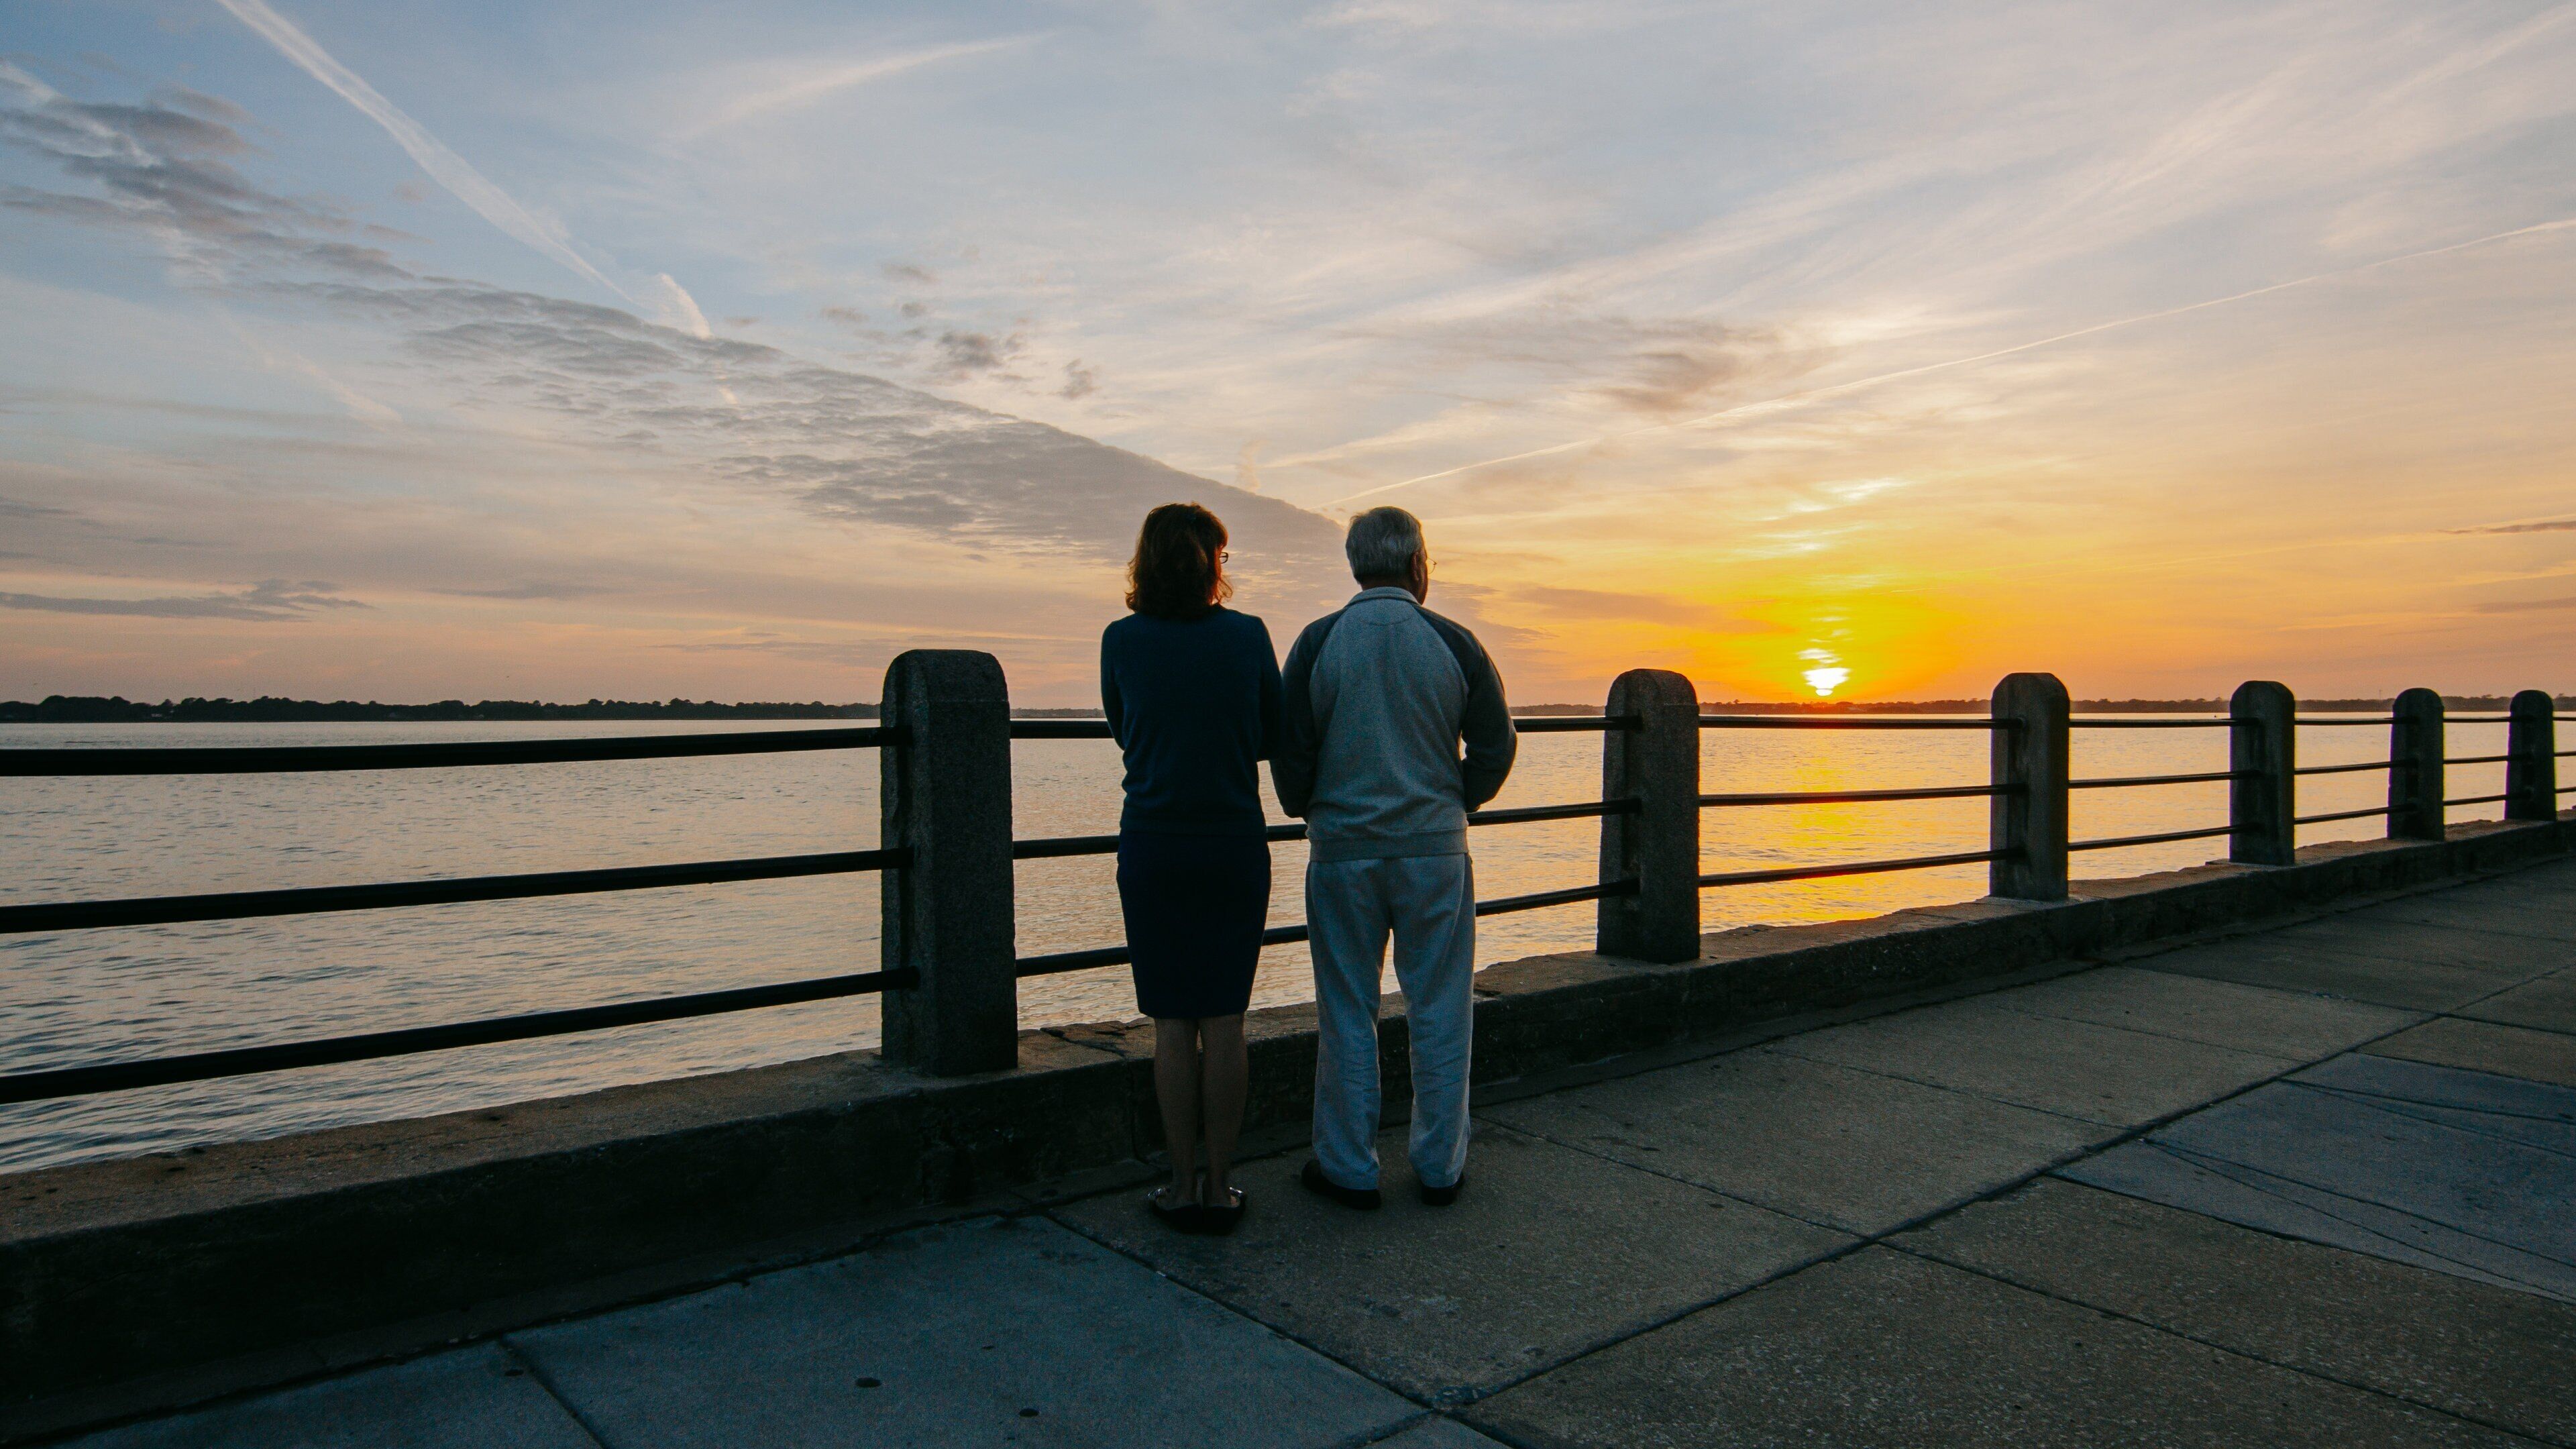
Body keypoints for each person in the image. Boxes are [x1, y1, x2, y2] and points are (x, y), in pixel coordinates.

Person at [1273, 506, 1514, 1210]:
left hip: (1344, 851)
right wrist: (1455, 803)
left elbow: (1292, 752)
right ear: (1418, 566)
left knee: (1347, 1007)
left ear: (1356, 566)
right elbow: (1496, 746)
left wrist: (1309, 805)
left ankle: (1348, 1166)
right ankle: (1440, 1164)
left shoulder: (1319, 642)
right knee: (1440, 1006)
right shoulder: (1453, 642)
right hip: (1433, 851)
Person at [1102, 502, 1283, 1234]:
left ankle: (1179, 1186)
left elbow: (1124, 727)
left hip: (1154, 842)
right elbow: (1272, 732)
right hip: (1233, 843)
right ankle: (1220, 1185)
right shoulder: (1248, 638)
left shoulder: (1121, 640)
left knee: (1172, 1021)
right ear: (1212, 565)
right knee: (1227, 1018)